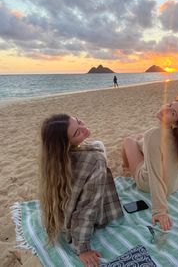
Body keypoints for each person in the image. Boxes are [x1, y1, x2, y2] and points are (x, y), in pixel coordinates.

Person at [39, 114, 123, 267]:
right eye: (77, 132)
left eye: (78, 122)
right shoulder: (95, 161)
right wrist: (83, 248)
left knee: (97, 144)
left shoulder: (52, 159)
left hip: (62, 216)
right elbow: (87, 209)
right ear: (66, 144)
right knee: (98, 148)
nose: (84, 128)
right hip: (86, 220)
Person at [122, 97, 178, 231]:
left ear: (176, 123)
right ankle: (136, 152)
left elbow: (155, 175)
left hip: (149, 183)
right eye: (170, 105)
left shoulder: (153, 135)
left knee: (128, 141)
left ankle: (126, 167)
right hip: (174, 183)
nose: (166, 109)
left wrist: (160, 211)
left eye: (172, 112)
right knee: (142, 138)